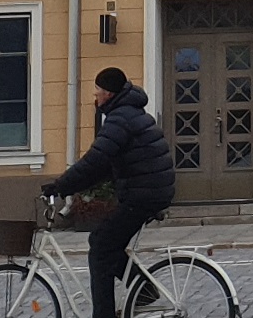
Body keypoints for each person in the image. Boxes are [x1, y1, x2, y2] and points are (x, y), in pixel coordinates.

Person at [43, 67, 176, 318]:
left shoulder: (120, 118)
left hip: (143, 194)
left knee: (101, 247)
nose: (95, 96)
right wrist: (71, 185)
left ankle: (107, 311)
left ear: (108, 93)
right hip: (148, 190)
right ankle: (143, 288)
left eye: (98, 91)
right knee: (106, 243)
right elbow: (104, 165)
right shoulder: (128, 113)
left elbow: (96, 159)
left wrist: (60, 186)